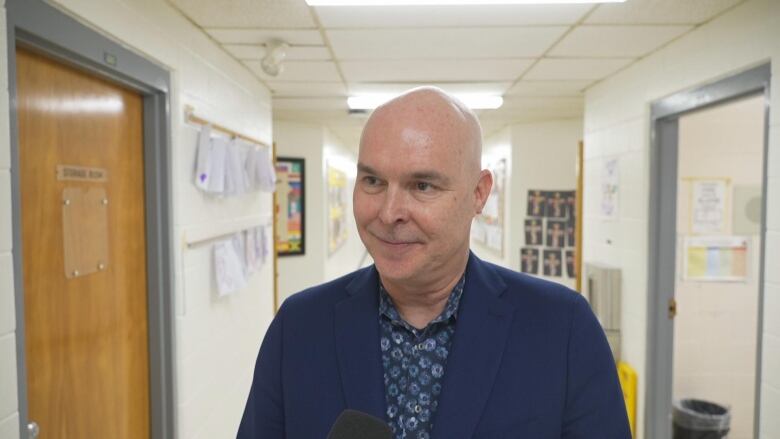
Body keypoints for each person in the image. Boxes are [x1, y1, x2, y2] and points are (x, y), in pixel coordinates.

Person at [237, 87, 631, 439]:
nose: (389, 213)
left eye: (422, 186)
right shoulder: (299, 327)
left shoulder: (563, 328)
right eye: (372, 181)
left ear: (479, 194)